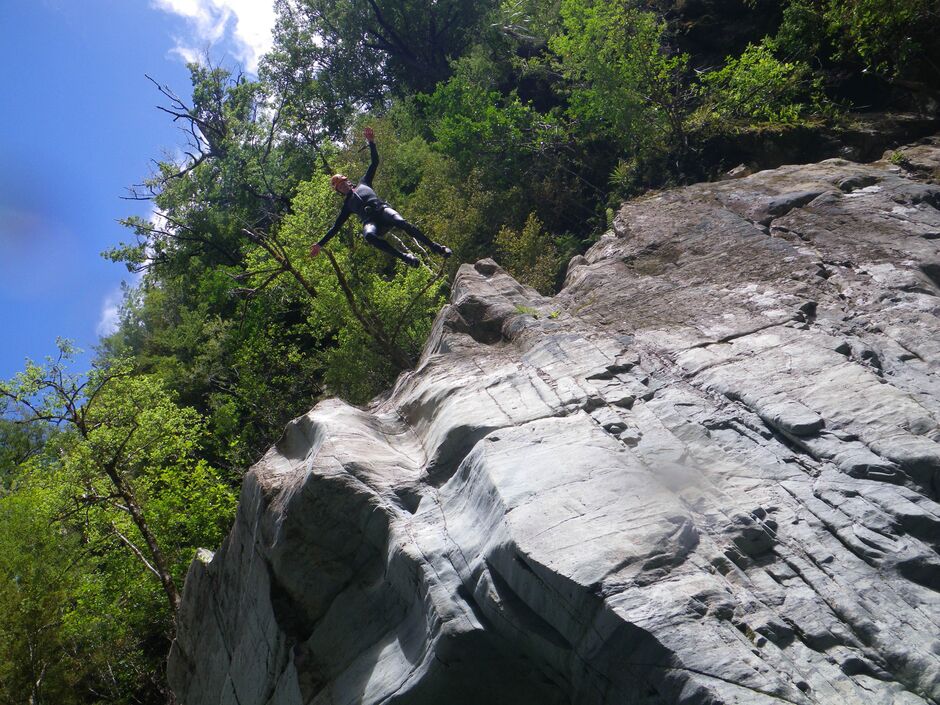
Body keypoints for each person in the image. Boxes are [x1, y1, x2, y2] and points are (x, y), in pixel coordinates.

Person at [309, 127, 452, 267]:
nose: (342, 186)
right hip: (371, 222)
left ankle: (437, 248)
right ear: (339, 191)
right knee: (368, 235)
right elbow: (335, 227)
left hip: (382, 211)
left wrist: (371, 142)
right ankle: (406, 257)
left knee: (402, 223)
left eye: (343, 183)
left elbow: (374, 163)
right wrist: (320, 244)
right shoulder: (347, 205)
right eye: (339, 187)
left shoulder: (364, 182)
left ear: (348, 181)